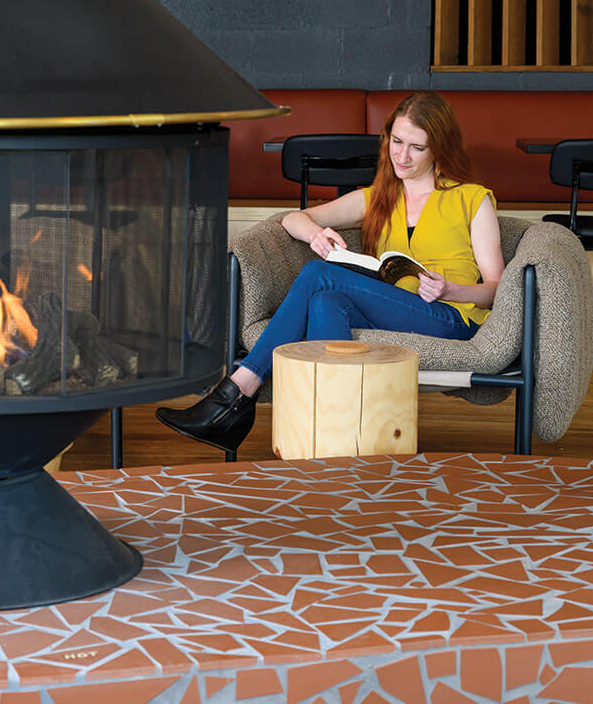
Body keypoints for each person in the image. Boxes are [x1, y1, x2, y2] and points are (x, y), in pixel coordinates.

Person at [156, 91, 504, 453]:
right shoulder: (378, 198)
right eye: (397, 142)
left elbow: (497, 287)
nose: (402, 156)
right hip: (395, 309)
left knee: (319, 275)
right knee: (325, 301)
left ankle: (235, 393)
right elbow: (293, 219)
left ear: (439, 148)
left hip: (451, 317)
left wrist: (451, 290)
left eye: (417, 147)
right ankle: (335, 436)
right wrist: (316, 235)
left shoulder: (471, 199)